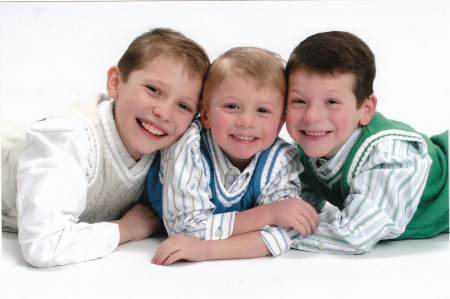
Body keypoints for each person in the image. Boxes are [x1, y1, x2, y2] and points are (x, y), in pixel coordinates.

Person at [1, 28, 210, 267]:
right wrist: (126, 228)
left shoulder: (175, 148)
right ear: (115, 82)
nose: (163, 112)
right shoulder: (70, 138)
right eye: (153, 90)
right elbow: (43, 245)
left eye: (183, 105)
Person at [149, 47, 319, 266]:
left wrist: (206, 250)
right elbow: (186, 229)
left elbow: (286, 231)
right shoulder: (190, 146)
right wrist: (268, 214)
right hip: (156, 207)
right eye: (232, 106)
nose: (246, 121)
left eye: (263, 110)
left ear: (279, 124)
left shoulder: (281, 159)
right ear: (207, 114)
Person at [284, 31, 448, 254]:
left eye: (331, 101)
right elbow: (290, 209)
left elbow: (354, 234)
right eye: (299, 101)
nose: (312, 117)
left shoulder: (387, 155)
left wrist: (267, 236)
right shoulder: (302, 156)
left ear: (366, 109)